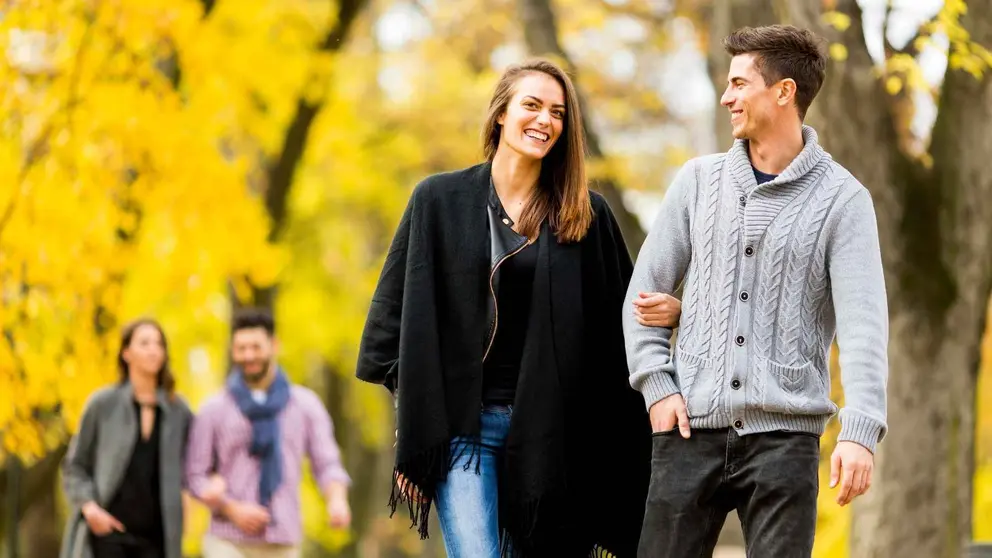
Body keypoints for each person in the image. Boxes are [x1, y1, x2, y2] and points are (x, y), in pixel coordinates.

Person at [355, 58, 673, 557]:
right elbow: (390, 329)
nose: (544, 120)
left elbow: (622, 327)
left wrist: (675, 313)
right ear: (501, 112)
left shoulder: (586, 218)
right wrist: (418, 426)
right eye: (531, 105)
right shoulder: (438, 201)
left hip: (551, 439)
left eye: (558, 112)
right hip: (464, 432)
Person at [625, 24, 889, 557]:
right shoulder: (697, 184)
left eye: (740, 84)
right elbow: (641, 299)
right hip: (687, 431)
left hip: (785, 440)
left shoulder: (843, 201)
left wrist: (860, 429)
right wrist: (658, 387)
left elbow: (864, 328)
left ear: (784, 91)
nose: (727, 97)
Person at [184, 308, 352, 558]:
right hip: (226, 539)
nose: (248, 355)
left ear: (274, 346)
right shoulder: (214, 409)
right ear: (233, 350)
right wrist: (231, 508)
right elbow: (195, 474)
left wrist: (337, 501)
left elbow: (327, 463)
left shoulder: (304, 405)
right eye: (241, 348)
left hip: (282, 539)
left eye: (256, 346)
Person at [60, 319, 194, 558]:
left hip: (158, 540)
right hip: (107, 534)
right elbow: (75, 465)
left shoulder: (178, 411)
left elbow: (197, 464)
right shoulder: (102, 404)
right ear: (126, 353)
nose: (154, 349)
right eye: (144, 343)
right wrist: (90, 508)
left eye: (159, 344)